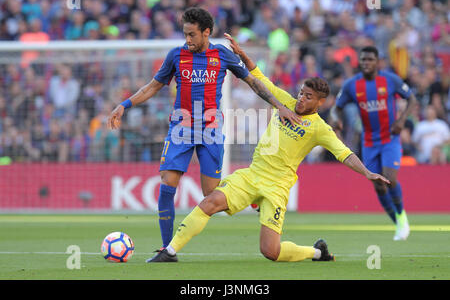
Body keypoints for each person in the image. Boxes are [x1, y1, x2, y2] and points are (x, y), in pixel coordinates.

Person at [146, 35, 390, 263]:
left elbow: (344, 153)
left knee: (270, 251)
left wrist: (367, 172)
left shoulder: (320, 129)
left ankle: (317, 252)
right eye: (301, 93)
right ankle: (170, 251)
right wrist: (243, 55)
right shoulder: (285, 101)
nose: (301, 99)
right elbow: (259, 78)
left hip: (277, 187)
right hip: (252, 175)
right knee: (210, 202)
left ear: (320, 102)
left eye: (308, 96)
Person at [108, 7, 300, 250]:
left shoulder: (222, 55)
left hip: (210, 129)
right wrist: (124, 105)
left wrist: (279, 106)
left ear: (206, 32)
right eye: (185, 34)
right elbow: (152, 86)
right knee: (168, 184)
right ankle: (167, 248)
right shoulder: (176, 56)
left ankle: (252, 195)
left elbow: (253, 82)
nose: (187, 40)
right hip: (181, 128)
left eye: (192, 35)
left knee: (212, 195)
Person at [330, 46, 417, 241]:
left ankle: (402, 217)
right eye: (363, 60)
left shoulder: (390, 80)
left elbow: (411, 98)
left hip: (390, 139)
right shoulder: (352, 85)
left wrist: (402, 120)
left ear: (377, 62)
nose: (366, 63)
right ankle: (397, 224)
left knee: (390, 178)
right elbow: (336, 108)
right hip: (369, 142)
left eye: (370, 59)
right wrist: (336, 119)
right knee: (378, 184)